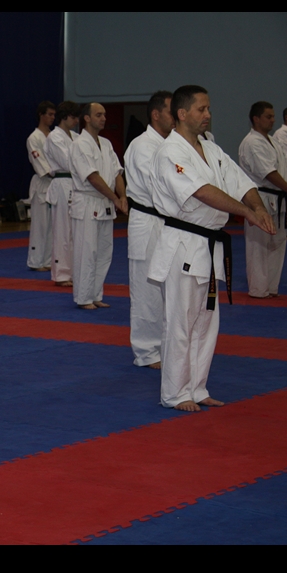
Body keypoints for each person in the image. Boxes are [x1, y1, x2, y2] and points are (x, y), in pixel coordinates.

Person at [149, 85, 274, 412]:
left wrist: (258, 207)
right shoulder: (170, 152)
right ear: (182, 113)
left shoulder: (210, 148)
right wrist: (246, 213)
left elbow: (240, 181)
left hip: (209, 245)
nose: (208, 114)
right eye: (201, 109)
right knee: (180, 323)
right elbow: (202, 191)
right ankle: (175, 393)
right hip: (183, 244)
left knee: (206, 322)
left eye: (208, 108)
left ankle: (197, 387)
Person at [124, 91, 173, 369]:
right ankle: (147, 351)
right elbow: (159, 189)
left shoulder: (171, 145)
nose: (176, 116)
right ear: (156, 115)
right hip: (148, 221)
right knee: (147, 290)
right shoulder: (142, 146)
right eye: (171, 111)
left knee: (168, 289)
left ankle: (166, 345)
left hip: (168, 223)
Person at [69, 102, 127, 309]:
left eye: (104, 115)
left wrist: (123, 196)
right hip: (87, 202)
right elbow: (93, 177)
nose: (103, 118)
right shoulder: (79, 144)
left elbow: (117, 172)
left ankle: (95, 294)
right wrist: (115, 198)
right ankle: (83, 297)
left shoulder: (106, 143)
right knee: (87, 252)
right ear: (87, 118)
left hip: (105, 203)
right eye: (99, 115)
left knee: (104, 252)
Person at [238, 101, 287, 298]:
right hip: (260, 199)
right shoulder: (252, 142)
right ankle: (258, 290)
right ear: (256, 119)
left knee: (277, 243)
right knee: (258, 246)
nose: (273, 120)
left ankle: (271, 288)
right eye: (268, 116)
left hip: (278, 198)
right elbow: (269, 173)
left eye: (273, 116)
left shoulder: (272, 141)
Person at [44, 100, 81, 287]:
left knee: (75, 232)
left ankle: (74, 271)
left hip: (76, 184)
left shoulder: (76, 136)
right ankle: (61, 274)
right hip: (62, 183)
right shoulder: (54, 137)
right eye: (73, 117)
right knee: (62, 231)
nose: (76, 121)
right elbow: (68, 162)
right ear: (64, 117)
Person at [26, 101, 56, 271]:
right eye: (49, 114)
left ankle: (48, 261)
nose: (52, 118)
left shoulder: (54, 136)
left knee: (52, 226)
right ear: (41, 115)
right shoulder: (34, 138)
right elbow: (41, 165)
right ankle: (36, 261)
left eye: (54, 115)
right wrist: (59, 172)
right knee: (40, 226)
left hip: (55, 185)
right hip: (42, 183)